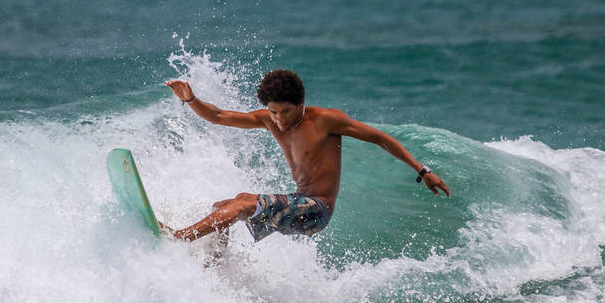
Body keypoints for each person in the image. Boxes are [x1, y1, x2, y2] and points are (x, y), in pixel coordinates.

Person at [162, 69, 450, 242]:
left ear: (301, 103)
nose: (279, 119)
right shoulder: (267, 119)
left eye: (286, 111)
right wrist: (190, 99)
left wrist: (422, 170)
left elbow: (379, 138)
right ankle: (215, 266)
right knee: (223, 207)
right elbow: (219, 116)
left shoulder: (325, 120)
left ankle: (177, 238)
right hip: (298, 205)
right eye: (274, 112)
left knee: (241, 204)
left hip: (317, 209)